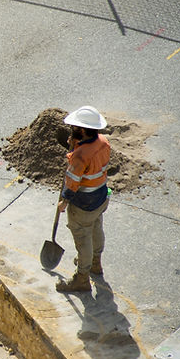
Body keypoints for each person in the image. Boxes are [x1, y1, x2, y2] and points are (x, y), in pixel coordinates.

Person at [56, 105, 110, 293]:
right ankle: (96, 263)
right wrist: (76, 145)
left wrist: (64, 201)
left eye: (75, 127)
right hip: (101, 196)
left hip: (84, 203)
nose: (72, 129)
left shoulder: (80, 155)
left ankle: (82, 279)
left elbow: (72, 181)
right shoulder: (103, 142)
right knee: (96, 227)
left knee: (83, 238)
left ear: (82, 130)